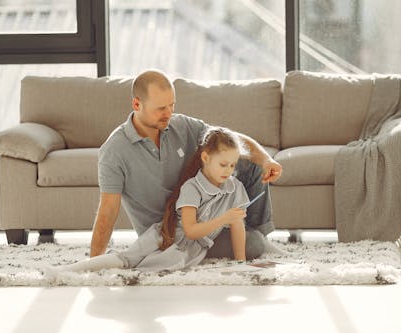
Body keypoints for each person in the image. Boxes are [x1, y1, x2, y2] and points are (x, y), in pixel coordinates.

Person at [90, 69, 283, 261]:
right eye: (160, 108)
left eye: (171, 105)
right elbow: (108, 210)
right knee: (252, 244)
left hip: (205, 217)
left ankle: (257, 236)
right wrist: (94, 259)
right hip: (170, 235)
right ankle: (256, 242)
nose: (168, 113)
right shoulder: (114, 150)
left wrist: (266, 159)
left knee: (252, 163)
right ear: (137, 104)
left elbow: (228, 139)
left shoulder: (180, 126)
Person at [44, 127, 255, 275]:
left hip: (188, 250)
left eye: (232, 165)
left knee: (140, 268)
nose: (228, 171)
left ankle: (81, 270)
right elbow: (190, 230)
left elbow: (237, 225)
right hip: (166, 233)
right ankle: (65, 271)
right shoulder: (192, 188)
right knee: (126, 259)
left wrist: (240, 263)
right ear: (206, 158)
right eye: (223, 164)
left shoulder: (234, 187)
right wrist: (223, 219)